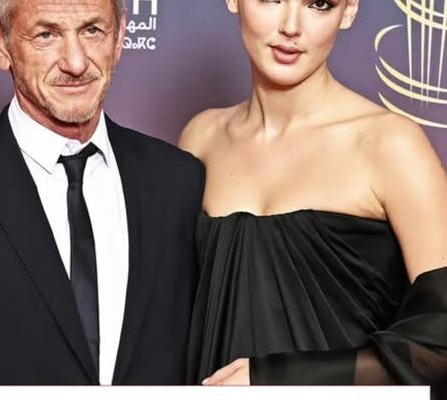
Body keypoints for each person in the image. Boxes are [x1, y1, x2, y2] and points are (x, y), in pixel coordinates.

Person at [0, 0, 204, 397]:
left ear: (120, 35)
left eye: (92, 30)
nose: (75, 62)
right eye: (46, 35)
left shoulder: (179, 181)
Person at [180, 0, 447, 386]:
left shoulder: (390, 144)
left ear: (349, 10)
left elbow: (440, 340)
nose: (291, 26)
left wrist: (279, 378)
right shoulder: (200, 138)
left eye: (319, 4)